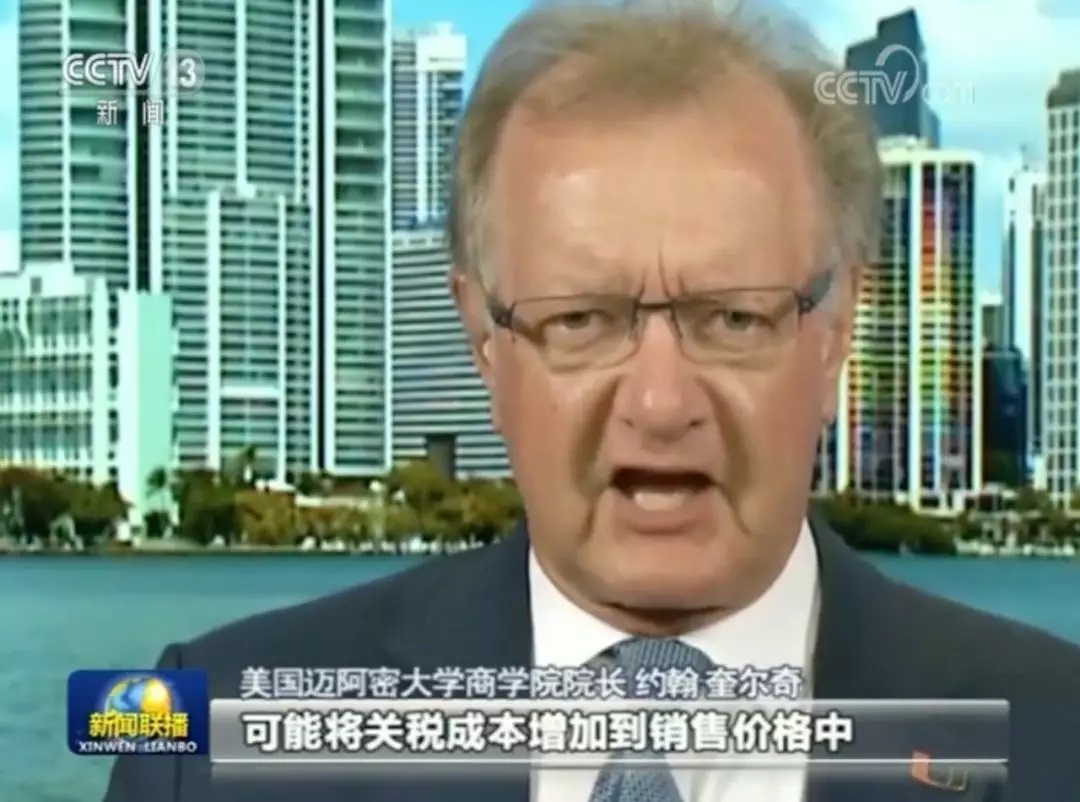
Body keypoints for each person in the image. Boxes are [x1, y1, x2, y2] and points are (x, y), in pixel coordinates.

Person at [104, 1, 1080, 801]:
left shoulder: (1054, 736)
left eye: (733, 317)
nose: (659, 401)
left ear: (834, 329)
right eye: (580, 319)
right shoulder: (207, 739)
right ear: (485, 339)